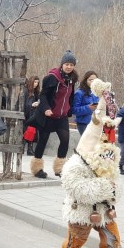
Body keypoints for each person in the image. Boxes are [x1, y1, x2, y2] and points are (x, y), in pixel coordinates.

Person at [54, 78, 124, 248]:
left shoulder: (108, 161)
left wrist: (114, 190)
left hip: (104, 210)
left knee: (112, 238)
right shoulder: (76, 164)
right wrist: (105, 188)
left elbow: (116, 183)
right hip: (81, 210)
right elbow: (77, 188)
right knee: (77, 240)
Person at [27, 50, 78, 179]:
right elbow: (43, 95)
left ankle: (59, 168)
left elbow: (70, 96)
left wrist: (69, 109)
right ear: (62, 64)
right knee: (43, 141)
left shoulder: (72, 79)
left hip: (62, 116)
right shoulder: (52, 77)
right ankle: (37, 168)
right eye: (67, 64)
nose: (69, 67)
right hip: (49, 115)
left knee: (65, 140)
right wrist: (46, 109)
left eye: (71, 65)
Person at [72, 71, 99, 136]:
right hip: (84, 124)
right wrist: (88, 108)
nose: (93, 82)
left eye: (95, 80)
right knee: (88, 142)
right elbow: (74, 110)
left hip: (96, 123)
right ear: (85, 80)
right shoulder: (79, 93)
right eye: (90, 80)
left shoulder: (97, 92)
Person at [22, 76, 41, 156]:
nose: (36, 84)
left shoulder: (36, 92)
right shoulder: (26, 91)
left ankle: (29, 149)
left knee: (31, 131)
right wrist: (32, 105)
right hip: (27, 115)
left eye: (37, 82)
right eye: (35, 82)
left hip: (33, 115)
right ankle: (26, 149)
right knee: (28, 131)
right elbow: (24, 104)